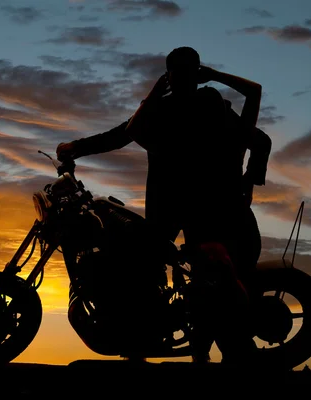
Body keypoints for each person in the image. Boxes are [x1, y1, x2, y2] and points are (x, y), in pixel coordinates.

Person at [56, 46, 271, 364]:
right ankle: (145, 339)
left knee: (203, 278)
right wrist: (76, 148)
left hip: (200, 208)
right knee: (143, 263)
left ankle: (193, 348)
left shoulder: (206, 104)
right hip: (178, 206)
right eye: (180, 71)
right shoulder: (168, 107)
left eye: (188, 71)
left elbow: (125, 133)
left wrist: (247, 185)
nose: (184, 77)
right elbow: (121, 134)